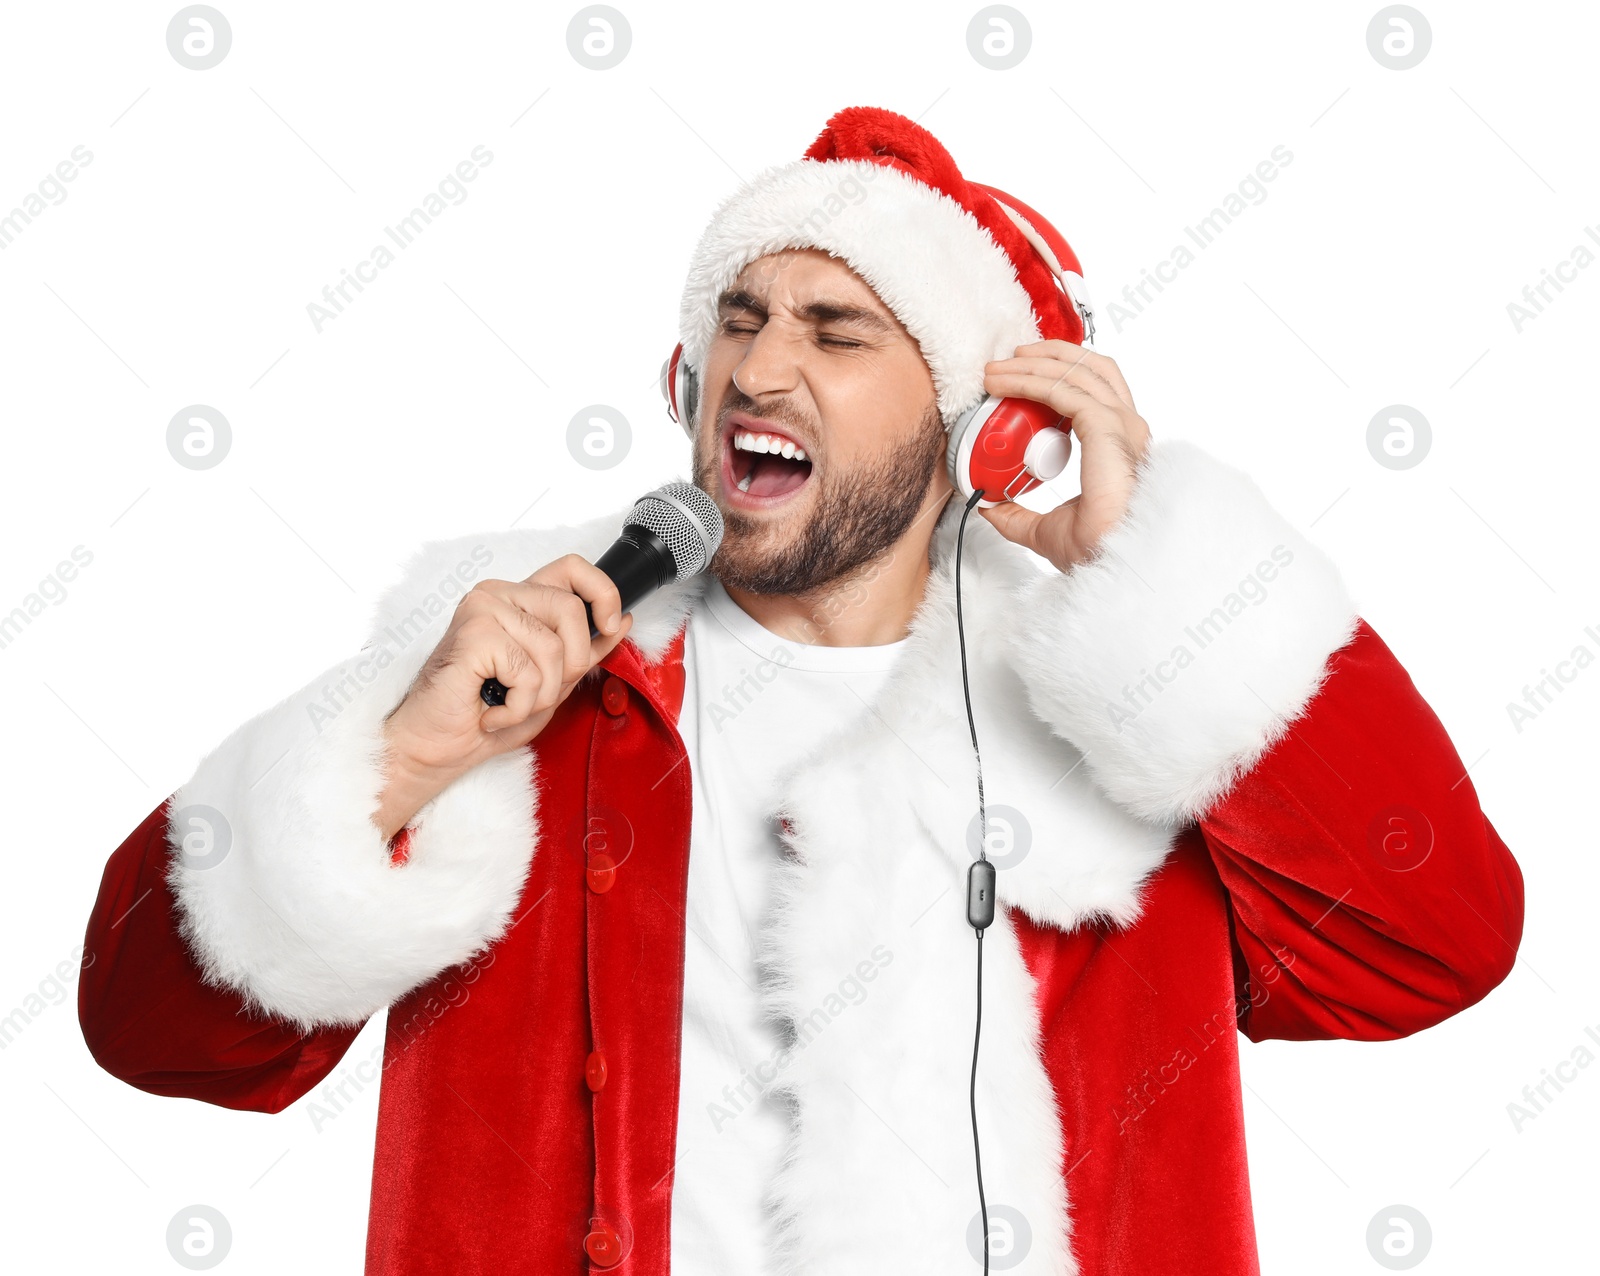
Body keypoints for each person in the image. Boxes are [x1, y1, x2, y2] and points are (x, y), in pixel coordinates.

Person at [78, 105, 1524, 1275]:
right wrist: (399, 758)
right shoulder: (520, 666)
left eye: (837, 335)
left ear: (980, 425)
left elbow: (1433, 944)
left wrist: (1171, 601)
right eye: (739, 320)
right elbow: (149, 1030)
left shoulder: (1129, 708)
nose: (758, 368)